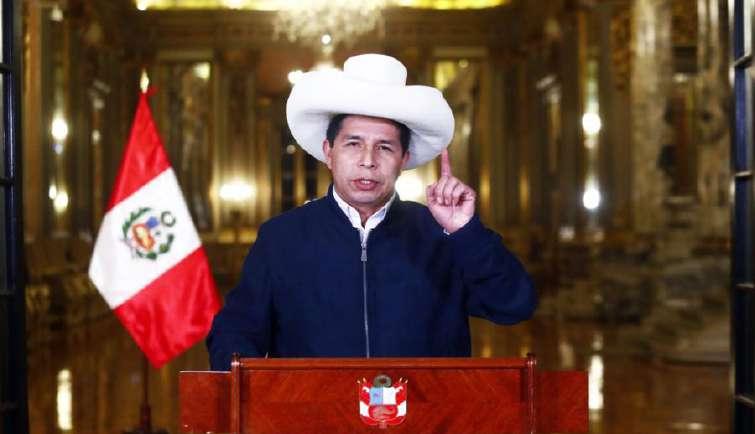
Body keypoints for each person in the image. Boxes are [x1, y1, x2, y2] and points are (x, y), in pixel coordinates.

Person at [207, 54, 536, 370]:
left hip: (426, 408)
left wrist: (466, 232)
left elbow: (514, 305)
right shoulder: (281, 237)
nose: (368, 160)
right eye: (353, 144)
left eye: (385, 147)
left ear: (404, 159)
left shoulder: (442, 234)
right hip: (314, 408)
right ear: (328, 152)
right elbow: (234, 331)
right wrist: (254, 387)